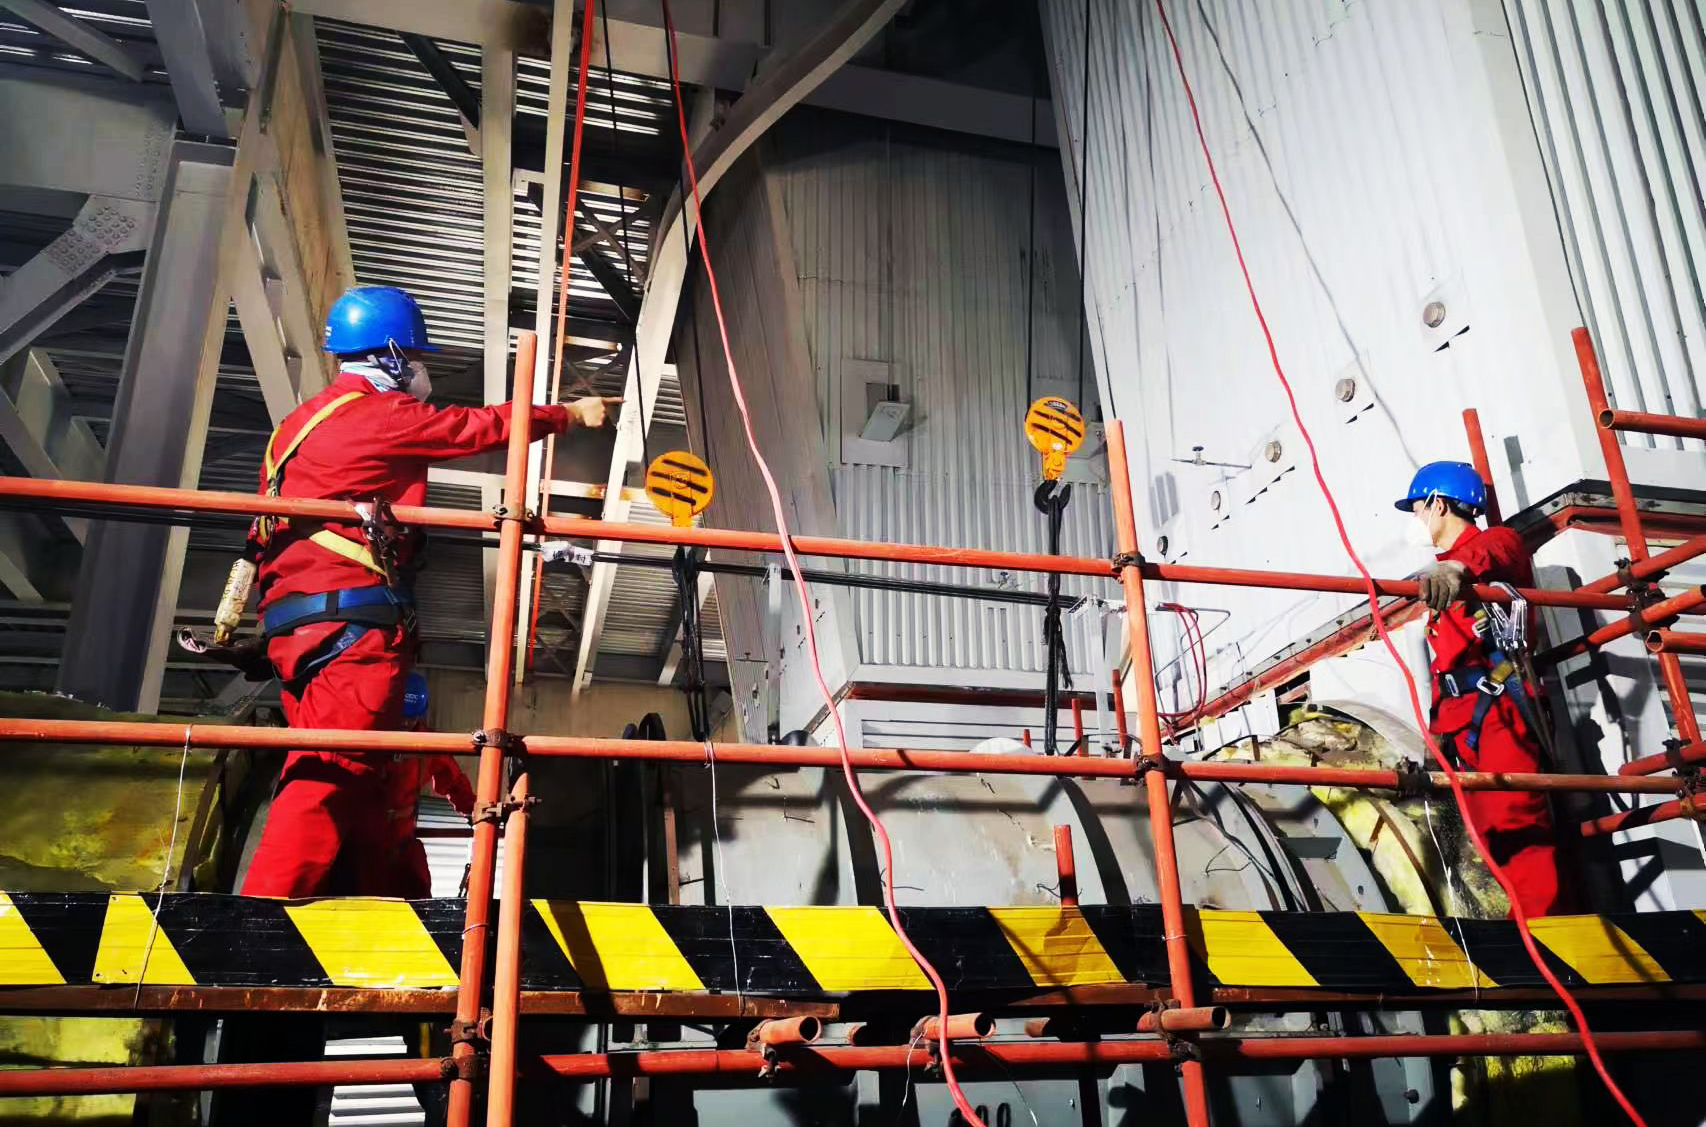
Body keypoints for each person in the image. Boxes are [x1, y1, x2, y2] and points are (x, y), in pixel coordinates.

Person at [240, 285, 615, 897]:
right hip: (350, 625)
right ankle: (254, 921)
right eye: (416, 356)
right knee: (333, 774)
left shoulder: (294, 428)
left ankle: (341, 908)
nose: (422, 370)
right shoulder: (379, 416)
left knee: (342, 773)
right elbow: (477, 428)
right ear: (389, 353)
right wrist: (568, 415)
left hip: (297, 624)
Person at [1398, 460, 1565, 917]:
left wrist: (1457, 566)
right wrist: (1435, 738)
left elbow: (1502, 544)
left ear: (1438, 503)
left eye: (1416, 508)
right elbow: (1444, 665)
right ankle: (1522, 934)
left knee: (1514, 823)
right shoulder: (1439, 582)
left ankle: (1542, 937)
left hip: (1501, 715)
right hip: (1462, 722)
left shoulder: (1488, 551)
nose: (1415, 519)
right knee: (1487, 836)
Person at [380, 670, 475, 898]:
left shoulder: (429, 745)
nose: (404, 723)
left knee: (416, 889)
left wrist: (475, 812)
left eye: (411, 718)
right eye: (400, 716)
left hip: (400, 839)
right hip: (361, 836)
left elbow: (454, 781)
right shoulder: (367, 735)